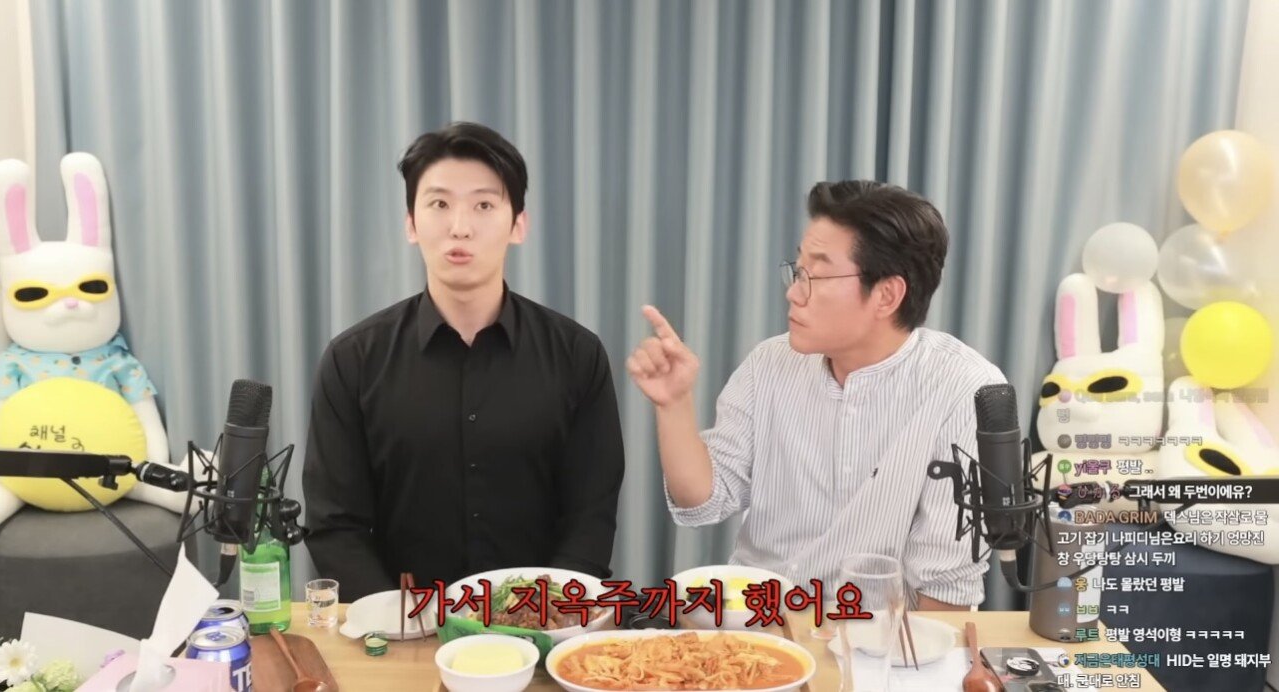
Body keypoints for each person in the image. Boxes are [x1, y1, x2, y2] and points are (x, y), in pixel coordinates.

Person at [627, 180, 1005, 610]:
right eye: (797, 270)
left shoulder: (963, 389)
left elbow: (945, 588)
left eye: (816, 275)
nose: (793, 292)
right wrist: (674, 405)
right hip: (758, 621)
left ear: (887, 295)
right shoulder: (769, 364)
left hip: (878, 636)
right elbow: (703, 501)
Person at [304, 122, 625, 601]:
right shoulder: (353, 360)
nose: (460, 227)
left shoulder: (577, 356)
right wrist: (397, 620)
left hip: (543, 623)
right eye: (439, 204)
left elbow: (590, 518)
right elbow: (335, 525)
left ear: (518, 225)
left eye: (484, 205)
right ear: (411, 224)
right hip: (400, 627)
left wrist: (542, 614)